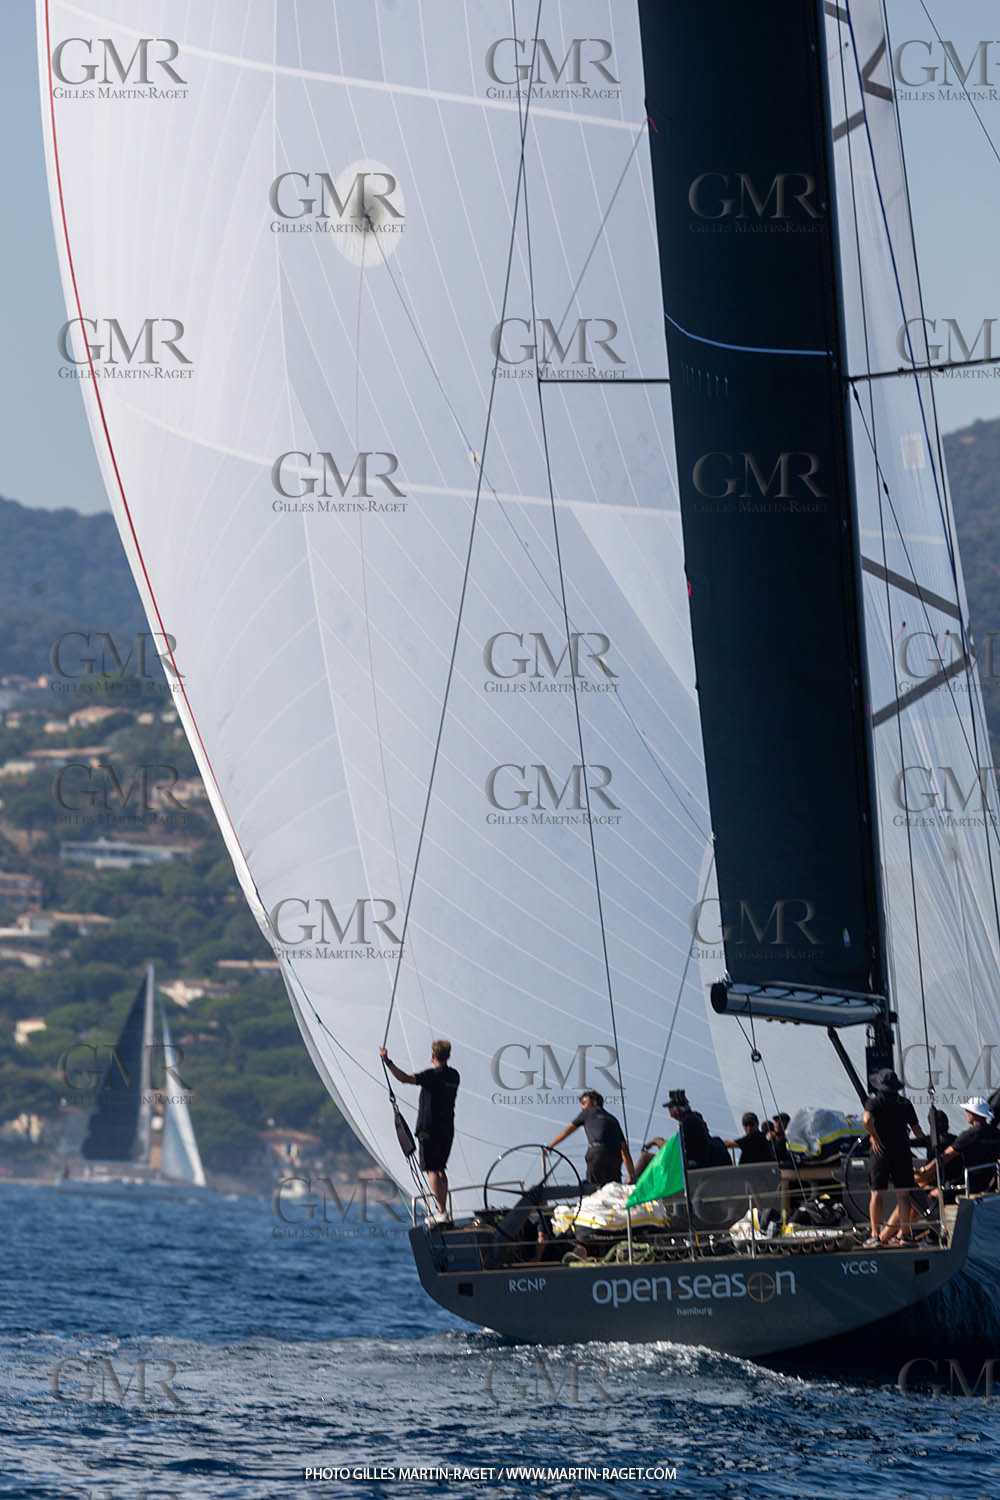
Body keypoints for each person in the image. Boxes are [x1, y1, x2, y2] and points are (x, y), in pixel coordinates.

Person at [379, 1040, 459, 1218]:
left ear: (432, 1056)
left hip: (429, 1130)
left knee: (432, 1170)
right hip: (447, 1130)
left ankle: (441, 1212)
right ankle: (444, 1211)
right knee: (440, 1170)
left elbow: (404, 1079)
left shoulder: (432, 1076)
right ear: (448, 1055)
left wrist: (387, 1061)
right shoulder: (454, 1076)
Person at [863, 1067, 926, 1247]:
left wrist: (874, 1136)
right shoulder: (905, 1103)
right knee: (904, 1195)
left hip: (880, 1152)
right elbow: (917, 1131)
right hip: (902, 1153)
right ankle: (905, 1235)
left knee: (877, 1194)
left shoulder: (873, 1103)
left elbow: (866, 1120)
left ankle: (875, 1235)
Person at [549, 1091, 635, 1188]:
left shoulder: (588, 1112)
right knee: (614, 1191)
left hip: (597, 1154)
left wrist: (549, 1146)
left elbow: (567, 1131)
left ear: (594, 1102)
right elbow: (624, 1150)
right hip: (615, 1159)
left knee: (594, 1190)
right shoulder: (613, 1119)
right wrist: (632, 1175)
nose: (582, 1107)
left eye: (584, 1103)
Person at [915, 1097, 1000, 1195]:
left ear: (973, 1114)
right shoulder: (997, 1134)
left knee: (933, 1194)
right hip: (989, 1185)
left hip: (969, 1184)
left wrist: (924, 1171)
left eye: (967, 1110)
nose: (966, 1112)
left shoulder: (969, 1135)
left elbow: (946, 1156)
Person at [665, 1088, 714, 1170]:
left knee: (646, 1158)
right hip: (702, 1164)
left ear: (677, 1109)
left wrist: (656, 1141)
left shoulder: (688, 1121)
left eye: (670, 1107)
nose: (668, 1110)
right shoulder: (695, 1117)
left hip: (694, 1166)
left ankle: (635, 1182)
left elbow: (676, 1147)